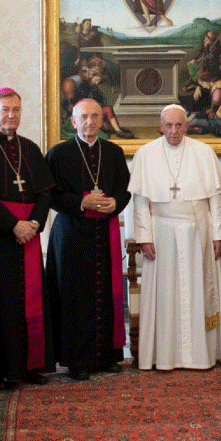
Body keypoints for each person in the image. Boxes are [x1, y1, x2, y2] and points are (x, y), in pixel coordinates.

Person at [128, 105, 221, 370]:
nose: (174, 131)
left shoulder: (204, 152)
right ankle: (163, 356)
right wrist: (144, 237)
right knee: (164, 295)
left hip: (198, 231)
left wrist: (219, 235)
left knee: (198, 291)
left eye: (179, 125)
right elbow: (140, 202)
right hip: (160, 231)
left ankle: (200, 355)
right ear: (160, 127)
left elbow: (215, 199)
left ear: (187, 126)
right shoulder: (145, 154)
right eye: (169, 125)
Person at [0, 88, 54, 387]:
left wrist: (34, 223)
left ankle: (31, 366)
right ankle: (1, 371)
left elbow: (45, 193)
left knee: (31, 300)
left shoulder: (31, 148)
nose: (11, 115)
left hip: (29, 235)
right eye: (4, 110)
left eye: (16, 110)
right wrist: (14, 225)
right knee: (0, 302)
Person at [44, 99, 132, 381]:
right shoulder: (58, 153)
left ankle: (107, 356)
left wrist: (116, 202)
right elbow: (49, 195)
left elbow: (125, 190)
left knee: (105, 290)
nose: (90, 122)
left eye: (95, 116)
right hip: (71, 232)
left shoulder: (114, 152)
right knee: (74, 295)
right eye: (83, 117)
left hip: (104, 231)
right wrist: (81, 202)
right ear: (73, 121)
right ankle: (76, 359)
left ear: (102, 121)